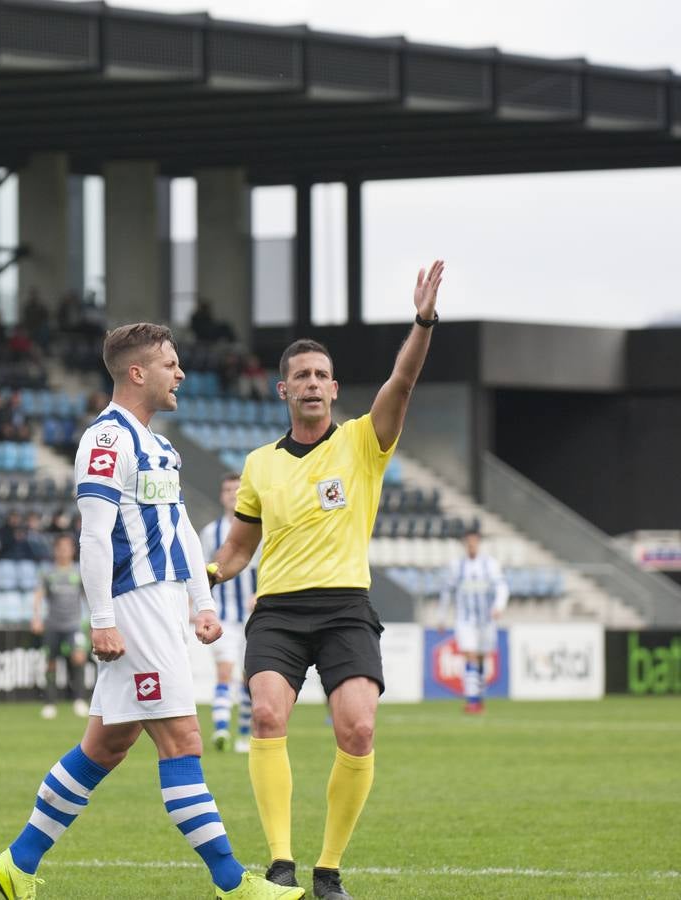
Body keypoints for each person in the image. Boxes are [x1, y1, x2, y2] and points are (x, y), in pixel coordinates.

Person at [0, 323, 302, 900]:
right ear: (137, 372)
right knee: (183, 740)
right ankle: (233, 885)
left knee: (105, 746)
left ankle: (17, 863)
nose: (180, 373)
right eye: (170, 364)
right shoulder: (106, 441)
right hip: (133, 606)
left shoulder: (158, 445)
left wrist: (202, 602)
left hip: (161, 604)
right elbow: (95, 536)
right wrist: (101, 618)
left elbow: (179, 528)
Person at [208, 260, 446, 900]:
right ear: (283, 391)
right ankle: (281, 862)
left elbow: (403, 377)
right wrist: (199, 578)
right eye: (300, 377)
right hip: (278, 609)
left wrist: (422, 320)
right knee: (265, 714)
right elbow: (236, 550)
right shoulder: (259, 465)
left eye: (320, 375)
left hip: (345, 607)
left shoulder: (366, 441)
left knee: (359, 729)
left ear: (335, 389)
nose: (311, 384)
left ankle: (328, 870)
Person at [199, 472, 257, 754]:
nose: (232, 494)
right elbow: (202, 572)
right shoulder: (211, 533)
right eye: (228, 490)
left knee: (250, 677)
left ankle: (244, 734)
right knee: (224, 673)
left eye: (237, 489)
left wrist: (262, 593)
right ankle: (222, 729)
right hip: (223, 614)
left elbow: (267, 566)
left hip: (253, 615)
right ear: (222, 495)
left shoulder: (258, 528)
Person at [437, 527, 508, 714]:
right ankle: (472, 701)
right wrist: (442, 617)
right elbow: (447, 592)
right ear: (465, 544)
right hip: (465, 620)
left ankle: (479, 697)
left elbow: (502, 587)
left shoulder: (490, 565)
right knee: (469, 655)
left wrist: (498, 607)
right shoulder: (456, 566)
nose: (472, 546)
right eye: (469, 543)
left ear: (479, 543)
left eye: (475, 542)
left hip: (486, 620)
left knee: (482, 658)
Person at [30, 534, 90, 720]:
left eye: (67, 547)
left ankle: (79, 700)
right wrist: (36, 618)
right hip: (52, 625)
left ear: (72, 550)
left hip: (74, 624)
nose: (64, 551)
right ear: (55, 551)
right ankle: (49, 703)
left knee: (78, 658)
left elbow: (87, 596)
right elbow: (38, 596)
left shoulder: (79, 572)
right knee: (50, 662)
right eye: (60, 548)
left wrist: (95, 620)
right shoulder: (48, 574)